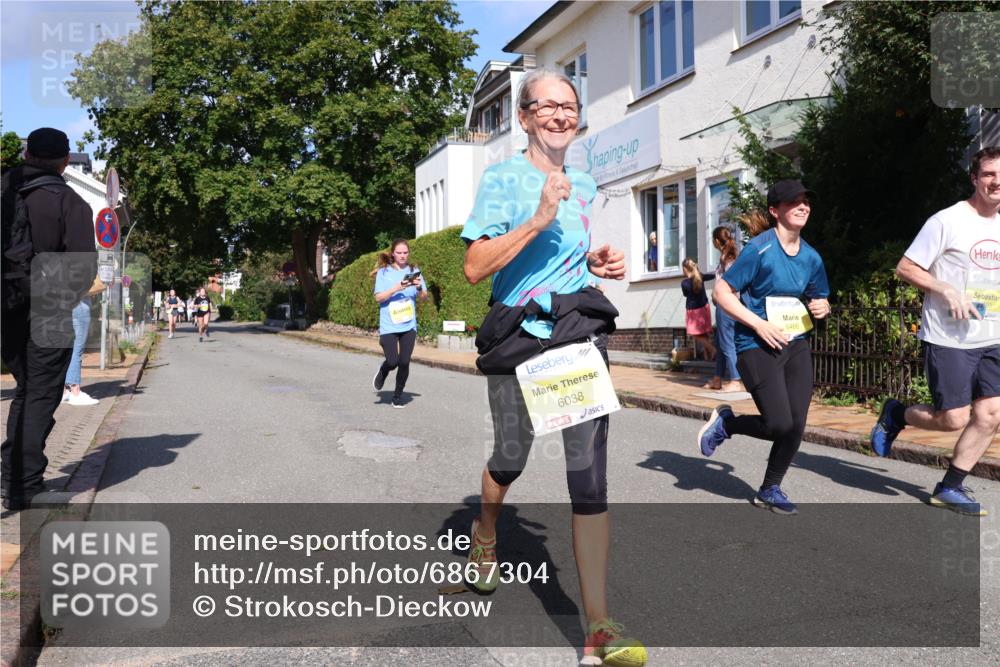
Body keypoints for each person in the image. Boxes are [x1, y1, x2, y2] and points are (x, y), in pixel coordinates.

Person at [460, 69, 646, 666]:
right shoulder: (502, 179)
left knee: (588, 479)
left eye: (570, 106)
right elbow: (475, 266)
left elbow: (566, 256)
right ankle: (485, 534)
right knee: (510, 456)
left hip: (574, 335)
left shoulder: (586, 184)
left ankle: (598, 628)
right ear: (524, 117)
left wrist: (598, 259)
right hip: (519, 338)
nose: (562, 115)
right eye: (549, 106)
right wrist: (538, 218)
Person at [870, 146, 1000, 517]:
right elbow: (906, 267)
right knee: (954, 417)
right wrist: (946, 289)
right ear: (975, 179)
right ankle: (897, 415)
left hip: (993, 335)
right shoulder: (947, 220)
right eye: (989, 174)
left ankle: (950, 487)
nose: (996, 181)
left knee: (991, 413)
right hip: (949, 337)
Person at [698, 180, 831, 515]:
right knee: (777, 424)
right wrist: (758, 324)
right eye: (794, 202)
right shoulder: (759, 250)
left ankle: (771, 488)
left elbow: (818, 296)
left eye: (806, 201)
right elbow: (722, 293)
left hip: (795, 342)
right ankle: (727, 424)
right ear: (775, 211)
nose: (803, 207)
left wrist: (822, 307)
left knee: (795, 425)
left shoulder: (812, 257)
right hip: (755, 343)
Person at [1, 127, 96, 511]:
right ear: (63, 159)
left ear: (26, 153)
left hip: (5, 308)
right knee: (40, 394)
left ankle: (13, 476)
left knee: (26, 391)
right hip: (49, 310)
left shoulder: (3, 190)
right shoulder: (70, 203)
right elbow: (81, 270)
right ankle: (24, 486)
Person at [371, 239, 428, 408]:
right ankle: (384, 370)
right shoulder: (384, 272)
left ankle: (397, 396)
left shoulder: (414, 271)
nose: (403, 256)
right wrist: (395, 288)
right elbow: (378, 297)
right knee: (393, 361)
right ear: (393, 254)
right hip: (389, 325)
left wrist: (418, 288)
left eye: (405, 253)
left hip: (408, 325)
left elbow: (424, 297)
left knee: (404, 362)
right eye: (399, 253)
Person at [704, 226, 743, 391]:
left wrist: (718, 295)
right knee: (721, 343)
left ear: (716, 241)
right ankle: (717, 379)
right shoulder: (729, 258)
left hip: (727, 307)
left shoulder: (728, 260)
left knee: (727, 343)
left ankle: (735, 380)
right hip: (727, 306)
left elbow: (733, 285)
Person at [62, 278, 104, 407]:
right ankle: (75, 391)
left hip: (62, 304)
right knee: (77, 349)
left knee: (65, 349)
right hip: (79, 304)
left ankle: (64, 391)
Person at [681, 258, 716, 361]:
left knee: (694, 333)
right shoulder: (700, 277)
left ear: (684, 269)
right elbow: (712, 276)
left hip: (693, 311)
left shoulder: (685, 283)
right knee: (704, 333)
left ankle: (713, 349)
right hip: (704, 308)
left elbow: (686, 294)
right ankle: (707, 356)